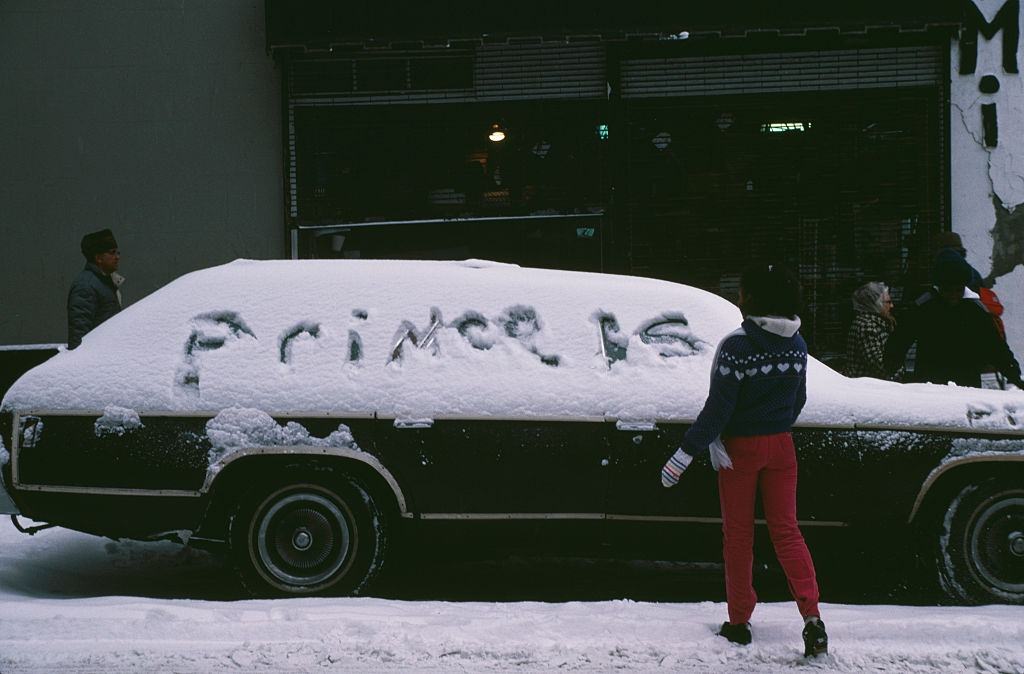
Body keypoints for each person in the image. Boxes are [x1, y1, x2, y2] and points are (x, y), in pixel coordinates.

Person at [660, 263, 827, 658]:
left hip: (740, 451)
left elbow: (718, 410)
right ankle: (813, 617)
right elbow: (798, 399)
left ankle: (738, 622)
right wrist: (776, 423)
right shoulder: (797, 345)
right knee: (787, 533)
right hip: (782, 446)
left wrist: (683, 454)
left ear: (752, 298)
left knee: (739, 537)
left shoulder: (737, 346)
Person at [884, 253, 1024, 389]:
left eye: (958, 290)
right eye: (948, 290)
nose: (953, 295)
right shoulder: (923, 308)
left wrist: (1015, 378)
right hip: (930, 386)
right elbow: (898, 343)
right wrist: (887, 376)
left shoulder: (975, 310)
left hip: (965, 386)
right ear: (939, 287)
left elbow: (996, 348)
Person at [67, 228, 123, 350]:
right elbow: (79, 333)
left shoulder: (104, 282)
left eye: (118, 252)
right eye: (112, 252)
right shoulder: (85, 285)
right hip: (97, 356)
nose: (117, 257)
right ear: (98, 258)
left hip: (105, 353)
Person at [844, 282, 896, 379]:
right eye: (888, 302)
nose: (892, 306)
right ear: (875, 304)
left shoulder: (875, 324)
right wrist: (899, 370)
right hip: (867, 388)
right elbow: (879, 366)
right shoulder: (867, 327)